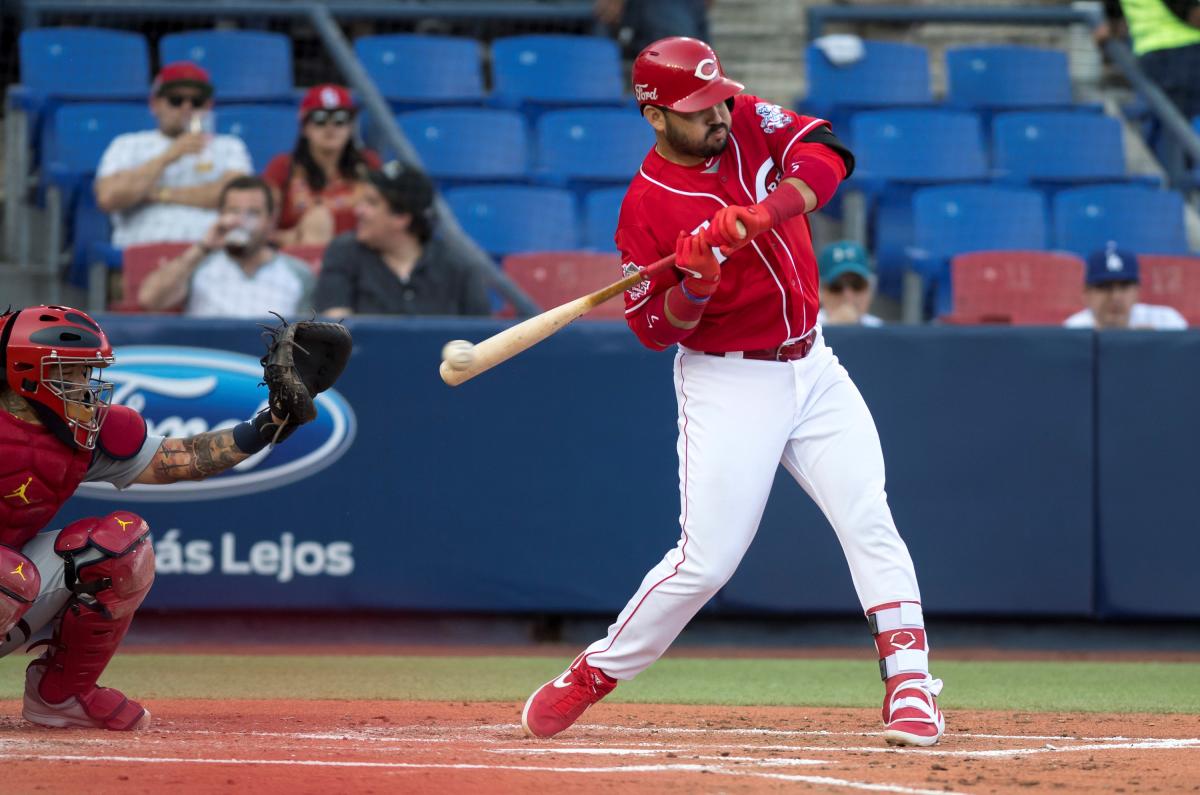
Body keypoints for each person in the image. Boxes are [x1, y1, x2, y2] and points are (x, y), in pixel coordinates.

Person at [520, 37, 944, 748]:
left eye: (718, 97)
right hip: (728, 378)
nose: (717, 113)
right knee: (707, 560)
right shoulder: (646, 206)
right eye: (696, 107)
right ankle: (595, 672)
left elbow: (829, 156)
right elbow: (657, 329)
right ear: (655, 116)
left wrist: (765, 212)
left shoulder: (743, 116)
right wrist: (696, 282)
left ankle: (909, 681)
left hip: (812, 361)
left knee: (867, 513)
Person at [0, 305, 314, 730]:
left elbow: (181, 459)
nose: (84, 386)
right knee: (9, 574)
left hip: (11, 589)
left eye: (86, 372)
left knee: (120, 546)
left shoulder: (77, 433)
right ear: (25, 374)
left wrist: (269, 423)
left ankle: (61, 695)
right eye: (70, 372)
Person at [94, 62, 252, 248]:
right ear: (155, 104)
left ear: (209, 106)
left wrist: (158, 194)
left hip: (215, 252)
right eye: (176, 100)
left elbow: (238, 199)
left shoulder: (230, 146)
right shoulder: (127, 145)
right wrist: (168, 156)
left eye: (197, 101)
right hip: (146, 251)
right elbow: (108, 197)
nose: (187, 108)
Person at [314, 160, 489, 318]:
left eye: (371, 203)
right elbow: (335, 331)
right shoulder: (344, 252)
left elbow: (481, 337)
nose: (358, 210)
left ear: (402, 217)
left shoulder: (459, 266)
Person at [137, 175, 315, 317]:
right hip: (209, 359)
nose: (241, 221)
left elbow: (307, 339)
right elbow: (151, 300)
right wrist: (203, 246)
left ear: (270, 220)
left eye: (253, 213)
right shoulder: (199, 264)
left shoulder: (298, 273)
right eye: (233, 211)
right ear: (220, 215)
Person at [262, 84, 382, 247]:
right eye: (319, 118)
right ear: (304, 127)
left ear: (351, 126)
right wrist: (294, 236)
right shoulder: (282, 166)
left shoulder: (369, 163)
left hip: (360, 257)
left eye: (340, 118)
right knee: (317, 220)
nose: (330, 127)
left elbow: (386, 217)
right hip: (300, 260)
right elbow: (261, 224)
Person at [1063, 244, 1187, 329]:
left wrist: (1158, 343)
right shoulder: (1074, 329)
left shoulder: (1165, 321)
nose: (1115, 297)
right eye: (1104, 287)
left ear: (1138, 292)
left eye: (1124, 286)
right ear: (1086, 294)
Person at [817, 240, 884, 327]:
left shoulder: (879, 329)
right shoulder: (805, 333)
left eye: (857, 285)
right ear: (820, 292)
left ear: (869, 290)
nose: (848, 296)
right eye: (837, 287)